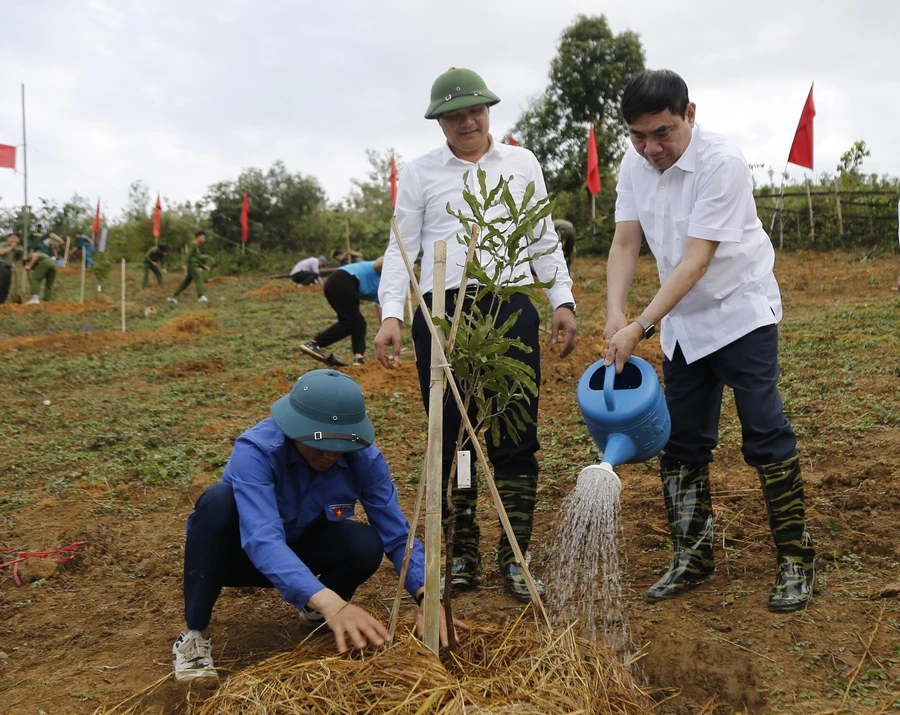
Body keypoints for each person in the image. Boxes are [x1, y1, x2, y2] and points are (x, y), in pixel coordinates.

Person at [603, 69, 814, 612]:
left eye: (663, 133)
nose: (650, 148)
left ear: (690, 113)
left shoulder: (722, 162)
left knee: (764, 431)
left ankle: (796, 558)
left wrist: (639, 325)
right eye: (638, 136)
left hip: (740, 311)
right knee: (682, 440)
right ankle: (692, 556)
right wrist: (612, 312)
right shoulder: (634, 163)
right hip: (683, 322)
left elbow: (697, 260)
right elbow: (625, 244)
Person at [374, 67, 577, 601]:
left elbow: (541, 236)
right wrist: (392, 313)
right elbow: (403, 247)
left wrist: (561, 299)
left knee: (514, 432)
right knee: (455, 437)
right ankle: (463, 552)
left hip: (508, 304)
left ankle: (517, 555)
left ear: (488, 112)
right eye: (454, 114)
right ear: (440, 121)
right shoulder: (421, 173)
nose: (467, 121)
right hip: (444, 314)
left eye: (475, 111)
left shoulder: (521, 163)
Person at [171, 369, 467, 681]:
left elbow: (397, 534)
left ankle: (315, 610)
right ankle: (194, 636)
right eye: (318, 444)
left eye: (338, 447)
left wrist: (427, 597)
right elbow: (262, 538)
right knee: (218, 502)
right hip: (234, 558)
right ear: (294, 429)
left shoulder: (363, 460)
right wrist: (332, 603)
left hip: (299, 548)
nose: (328, 456)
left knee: (365, 543)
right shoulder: (257, 451)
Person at [301, 257, 384, 367]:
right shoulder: (388, 271)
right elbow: (376, 264)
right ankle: (315, 343)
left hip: (336, 283)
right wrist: (396, 258)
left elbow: (382, 311)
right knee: (351, 322)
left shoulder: (384, 292)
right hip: (343, 279)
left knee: (358, 322)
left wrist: (385, 331)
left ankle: (358, 358)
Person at [168, 231, 211, 303]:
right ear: (198, 237)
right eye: (203, 238)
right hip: (192, 265)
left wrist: (204, 267)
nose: (204, 239)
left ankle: (172, 296)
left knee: (185, 282)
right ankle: (201, 296)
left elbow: (196, 259)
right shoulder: (193, 244)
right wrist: (184, 264)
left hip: (194, 265)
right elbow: (188, 255)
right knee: (199, 277)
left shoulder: (197, 247)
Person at [0, 234, 22, 304]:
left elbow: (13, 259)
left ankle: (2, 302)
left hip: (8, 269)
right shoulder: (3, 244)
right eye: (13, 238)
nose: (14, 241)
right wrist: (11, 247)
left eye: (16, 240)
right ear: (7, 239)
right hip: (1, 267)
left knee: (6, 287)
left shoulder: (13, 250)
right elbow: (2, 252)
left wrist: (14, 267)